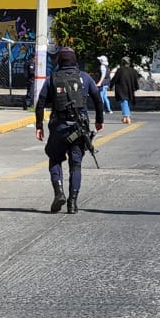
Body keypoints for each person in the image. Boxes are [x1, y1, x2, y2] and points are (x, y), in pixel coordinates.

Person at [35, 47, 105, 214]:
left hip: (59, 127)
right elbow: (98, 100)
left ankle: (59, 192)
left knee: (54, 158)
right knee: (76, 165)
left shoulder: (52, 78)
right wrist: (99, 121)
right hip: (79, 128)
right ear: (75, 60)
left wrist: (39, 126)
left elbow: (40, 103)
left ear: (60, 61)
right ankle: (72, 203)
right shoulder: (85, 78)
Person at [109, 56, 142, 124]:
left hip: (121, 89)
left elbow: (115, 79)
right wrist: (135, 88)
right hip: (130, 89)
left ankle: (127, 116)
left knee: (123, 102)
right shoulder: (133, 70)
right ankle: (124, 118)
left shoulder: (120, 70)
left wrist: (111, 86)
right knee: (126, 102)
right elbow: (135, 80)